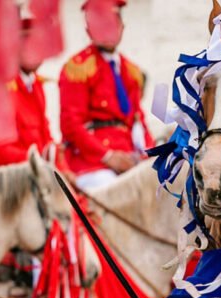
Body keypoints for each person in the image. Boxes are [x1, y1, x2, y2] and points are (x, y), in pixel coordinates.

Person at [59, 0, 152, 192]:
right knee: (112, 189)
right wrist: (108, 156)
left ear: (122, 27)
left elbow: (138, 121)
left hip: (129, 157)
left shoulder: (131, 71)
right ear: (89, 30)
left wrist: (150, 155)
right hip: (92, 162)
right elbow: (71, 125)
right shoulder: (77, 68)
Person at [0, 9, 57, 166]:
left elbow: (46, 136)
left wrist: (56, 154)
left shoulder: (36, 84)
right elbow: (0, 151)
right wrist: (40, 162)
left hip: (39, 173)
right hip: (15, 177)